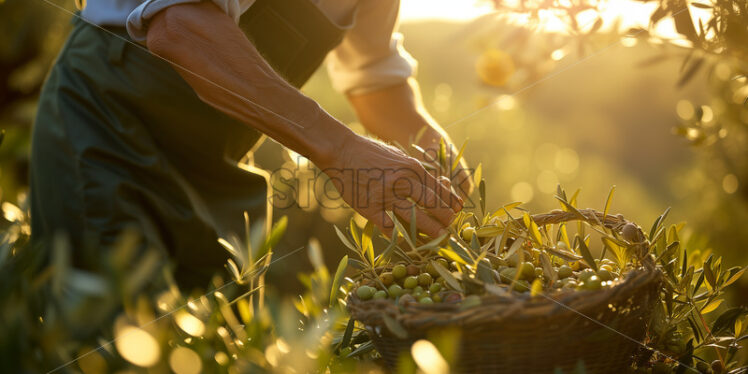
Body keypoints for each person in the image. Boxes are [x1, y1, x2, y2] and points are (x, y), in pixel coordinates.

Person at [30, 0, 472, 286]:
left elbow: (372, 76)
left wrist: (437, 158)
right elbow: (181, 29)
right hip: (107, 129)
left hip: (216, 167)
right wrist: (342, 151)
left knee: (217, 341)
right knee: (120, 342)